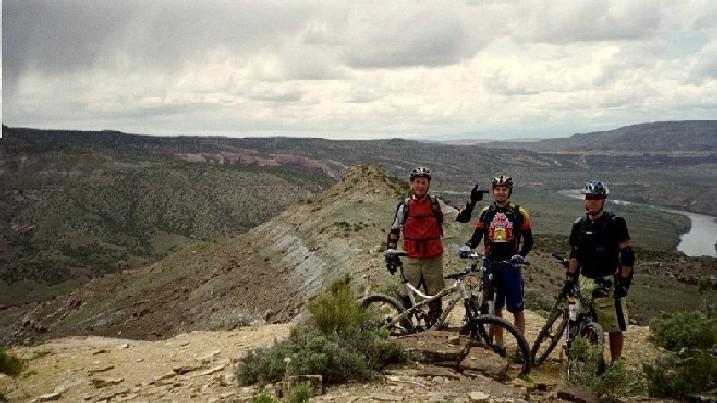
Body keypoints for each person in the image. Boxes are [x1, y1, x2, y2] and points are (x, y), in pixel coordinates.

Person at [385, 167, 484, 325]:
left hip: (433, 257)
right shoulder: (404, 206)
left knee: (435, 295)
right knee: (406, 296)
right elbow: (394, 231)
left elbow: (462, 217)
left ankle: (434, 327)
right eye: (417, 182)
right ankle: (405, 328)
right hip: (410, 257)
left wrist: (472, 202)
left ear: (428, 184)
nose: (420, 186)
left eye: (424, 182)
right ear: (411, 184)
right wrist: (390, 254)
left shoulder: (436, 204)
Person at [459, 175, 533, 362]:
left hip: (510, 265)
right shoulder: (486, 212)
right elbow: (477, 236)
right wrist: (468, 246)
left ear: (509, 191)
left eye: (504, 189)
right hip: (490, 264)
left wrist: (521, 256)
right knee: (495, 307)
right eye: (498, 189)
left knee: (517, 308)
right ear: (493, 191)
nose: (501, 192)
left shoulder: (519, 213)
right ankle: (499, 344)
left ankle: (520, 347)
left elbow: (529, 241)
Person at [563, 180, 634, 363]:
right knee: (580, 318)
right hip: (584, 280)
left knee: (614, 326)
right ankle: (586, 360)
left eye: (597, 198)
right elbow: (575, 255)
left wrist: (624, 284)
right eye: (589, 198)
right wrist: (570, 279)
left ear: (604, 200)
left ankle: (616, 363)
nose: (592, 201)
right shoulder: (579, 224)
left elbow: (627, 255)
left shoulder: (615, 223)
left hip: (608, 280)